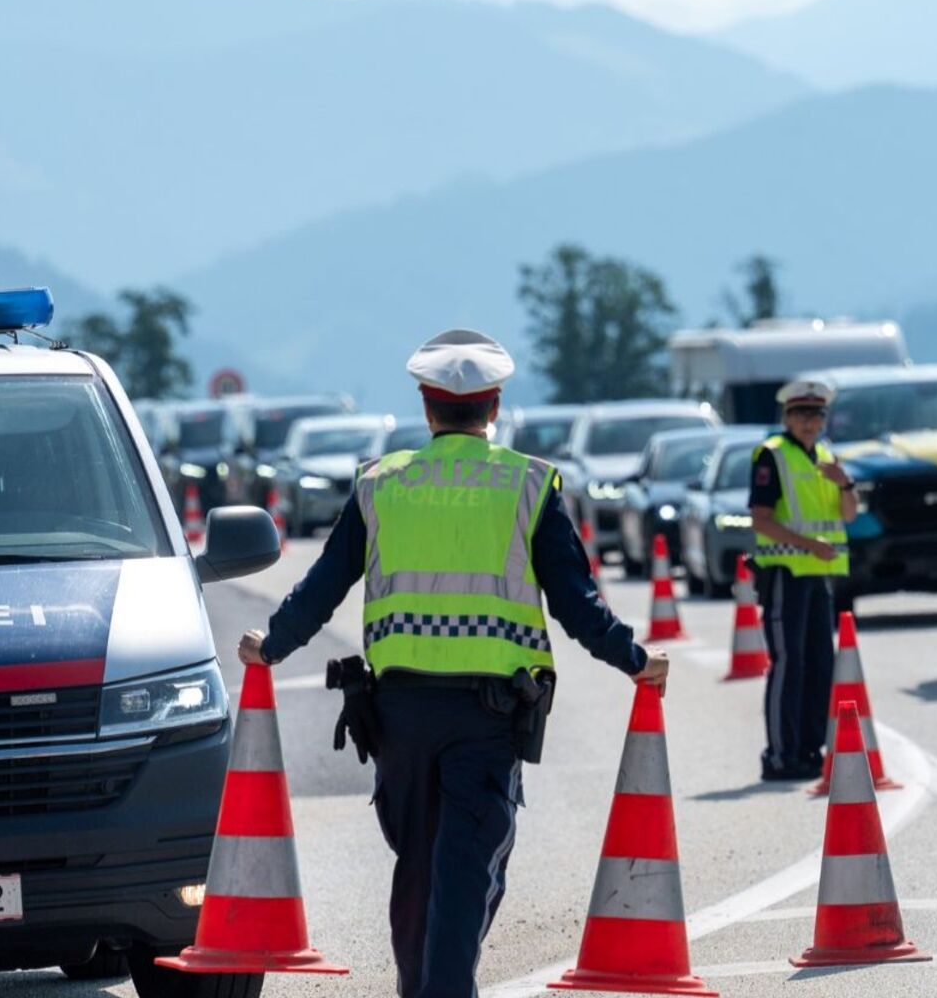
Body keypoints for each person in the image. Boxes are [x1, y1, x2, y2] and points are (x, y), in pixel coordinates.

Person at [236, 329, 670, 998]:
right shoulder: (528, 485)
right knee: (467, 875)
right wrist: (633, 658)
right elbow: (576, 604)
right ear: (494, 404)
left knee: (419, 869)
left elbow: (324, 585)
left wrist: (272, 644)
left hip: (399, 718)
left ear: (426, 406)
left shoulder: (381, 485)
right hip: (487, 717)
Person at [748, 379, 857, 781]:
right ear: (787, 417)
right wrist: (807, 544)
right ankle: (780, 754)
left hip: (819, 577)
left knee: (819, 664)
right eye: (801, 414)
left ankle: (810, 751)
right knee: (788, 663)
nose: (810, 422)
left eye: (817, 415)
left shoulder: (826, 457)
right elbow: (761, 519)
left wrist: (845, 482)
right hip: (785, 573)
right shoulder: (771, 456)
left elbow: (848, 515)